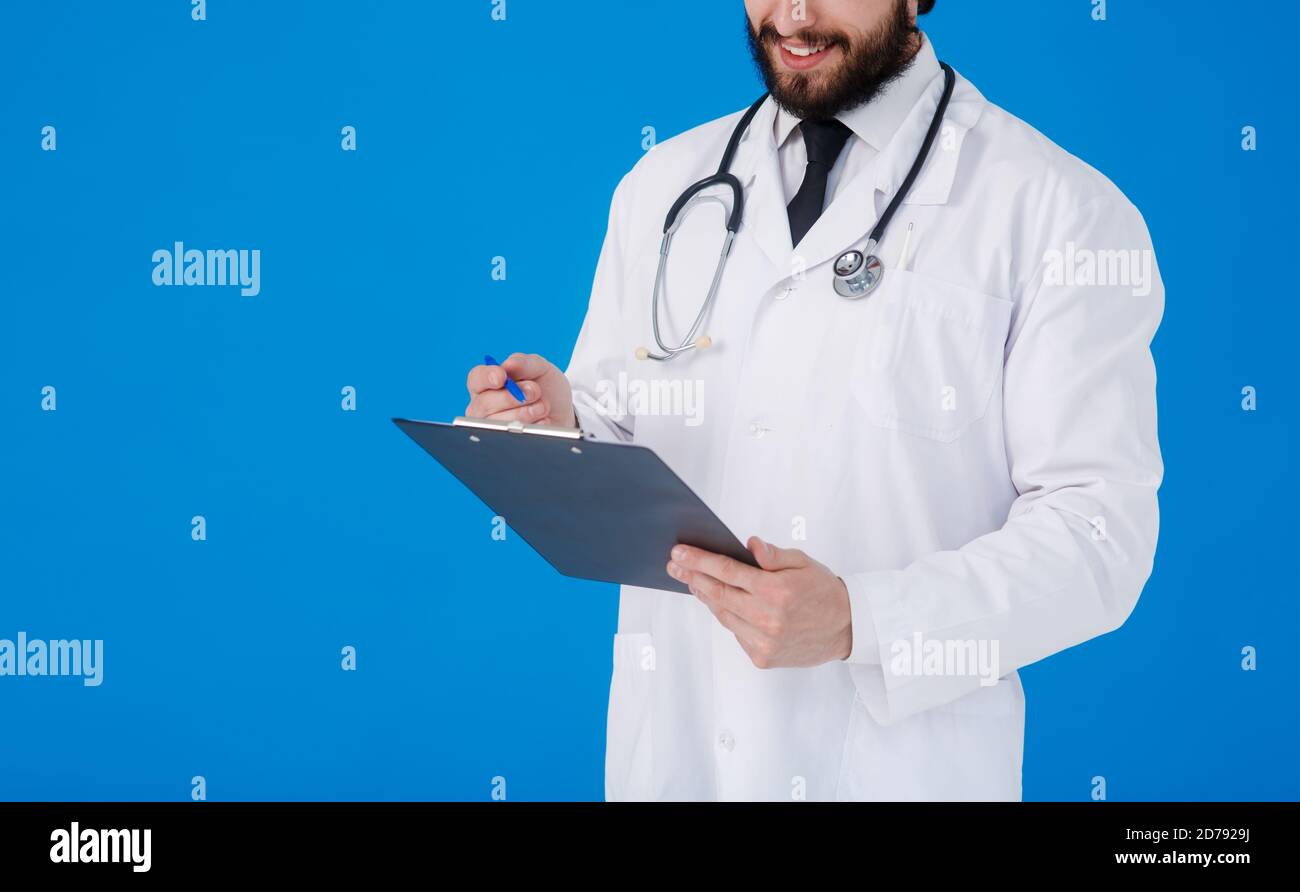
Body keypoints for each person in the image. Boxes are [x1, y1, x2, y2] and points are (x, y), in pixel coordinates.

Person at [464, 0, 1163, 801]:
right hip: (675, 755)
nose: (793, 15)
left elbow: (1098, 538)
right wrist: (561, 426)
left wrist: (862, 621)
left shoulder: (1060, 212)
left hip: (901, 772)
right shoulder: (665, 186)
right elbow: (625, 425)